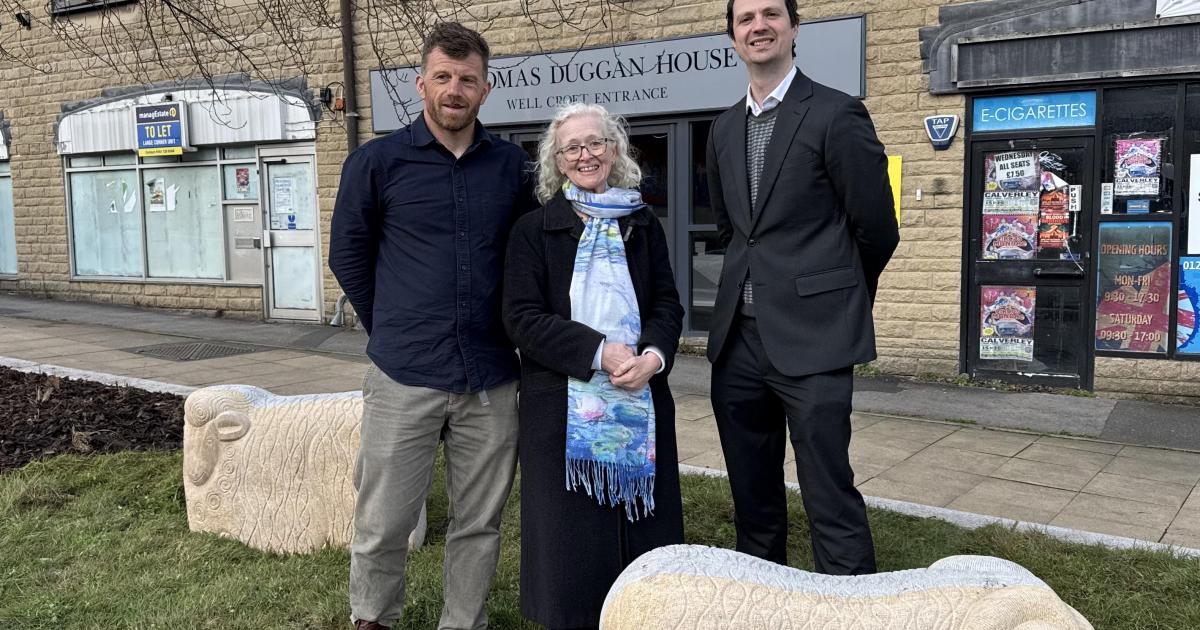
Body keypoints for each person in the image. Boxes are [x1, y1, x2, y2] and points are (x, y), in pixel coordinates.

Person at [328, 22, 535, 630]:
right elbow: (349, 254)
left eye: (467, 79)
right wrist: (391, 324)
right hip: (404, 374)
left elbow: (528, 258)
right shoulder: (376, 162)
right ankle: (373, 617)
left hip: (491, 376)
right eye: (443, 77)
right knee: (384, 518)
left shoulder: (512, 169)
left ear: (485, 89)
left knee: (479, 521)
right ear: (421, 84)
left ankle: (463, 622)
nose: (454, 89)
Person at [705, 0, 900, 575]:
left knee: (829, 494)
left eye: (771, 14)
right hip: (737, 344)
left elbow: (877, 229)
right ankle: (763, 598)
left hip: (815, 340)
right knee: (752, 498)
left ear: (794, 28)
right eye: (745, 19)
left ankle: (850, 606)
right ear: (734, 37)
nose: (758, 26)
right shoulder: (721, 128)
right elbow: (731, 230)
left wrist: (836, 298)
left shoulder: (837, 114)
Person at [502, 103, 685, 630]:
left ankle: (642, 615)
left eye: (596, 143)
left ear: (615, 150)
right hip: (560, 408)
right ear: (557, 162)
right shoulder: (533, 231)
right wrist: (599, 351)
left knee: (642, 536)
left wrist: (652, 356)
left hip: (641, 398)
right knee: (571, 548)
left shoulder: (642, 223)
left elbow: (667, 305)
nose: (586, 155)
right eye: (573, 147)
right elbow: (521, 318)